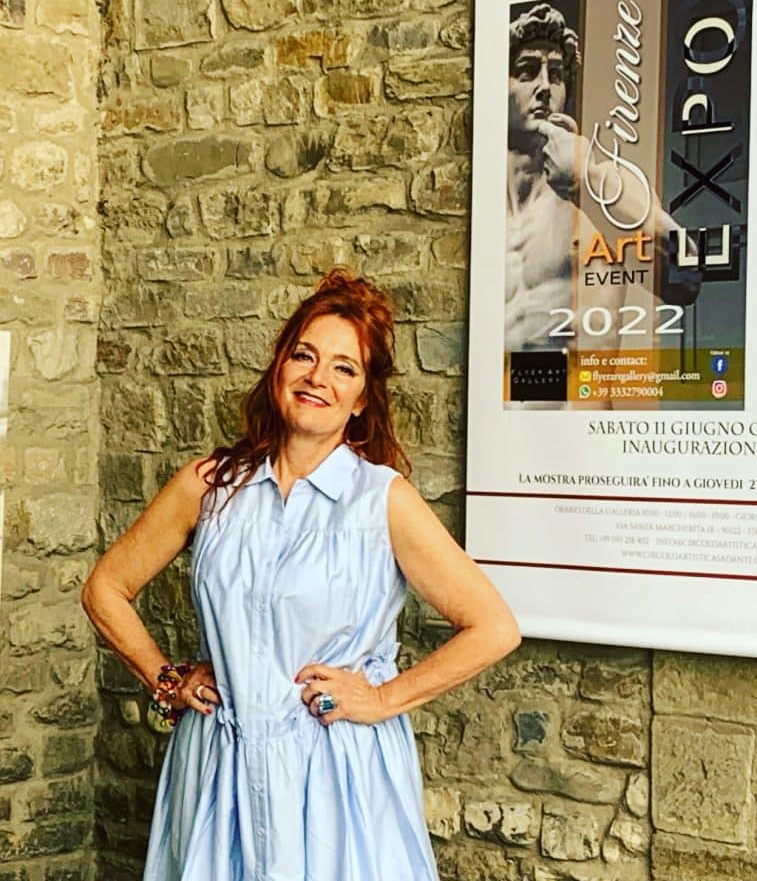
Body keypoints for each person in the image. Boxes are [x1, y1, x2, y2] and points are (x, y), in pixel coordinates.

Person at [82, 268, 521, 881]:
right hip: (220, 770)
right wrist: (166, 678)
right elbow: (105, 587)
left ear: (362, 398)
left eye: (344, 368)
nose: (318, 377)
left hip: (337, 779)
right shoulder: (210, 486)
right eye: (304, 356)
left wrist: (382, 698)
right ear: (280, 368)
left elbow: (494, 627)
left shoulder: (381, 500)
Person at [505, 2, 701, 353]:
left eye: (557, 75)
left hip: (580, 390)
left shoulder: (606, 184)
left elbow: (686, 277)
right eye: (527, 72)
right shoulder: (483, 212)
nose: (545, 87)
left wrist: (586, 181)